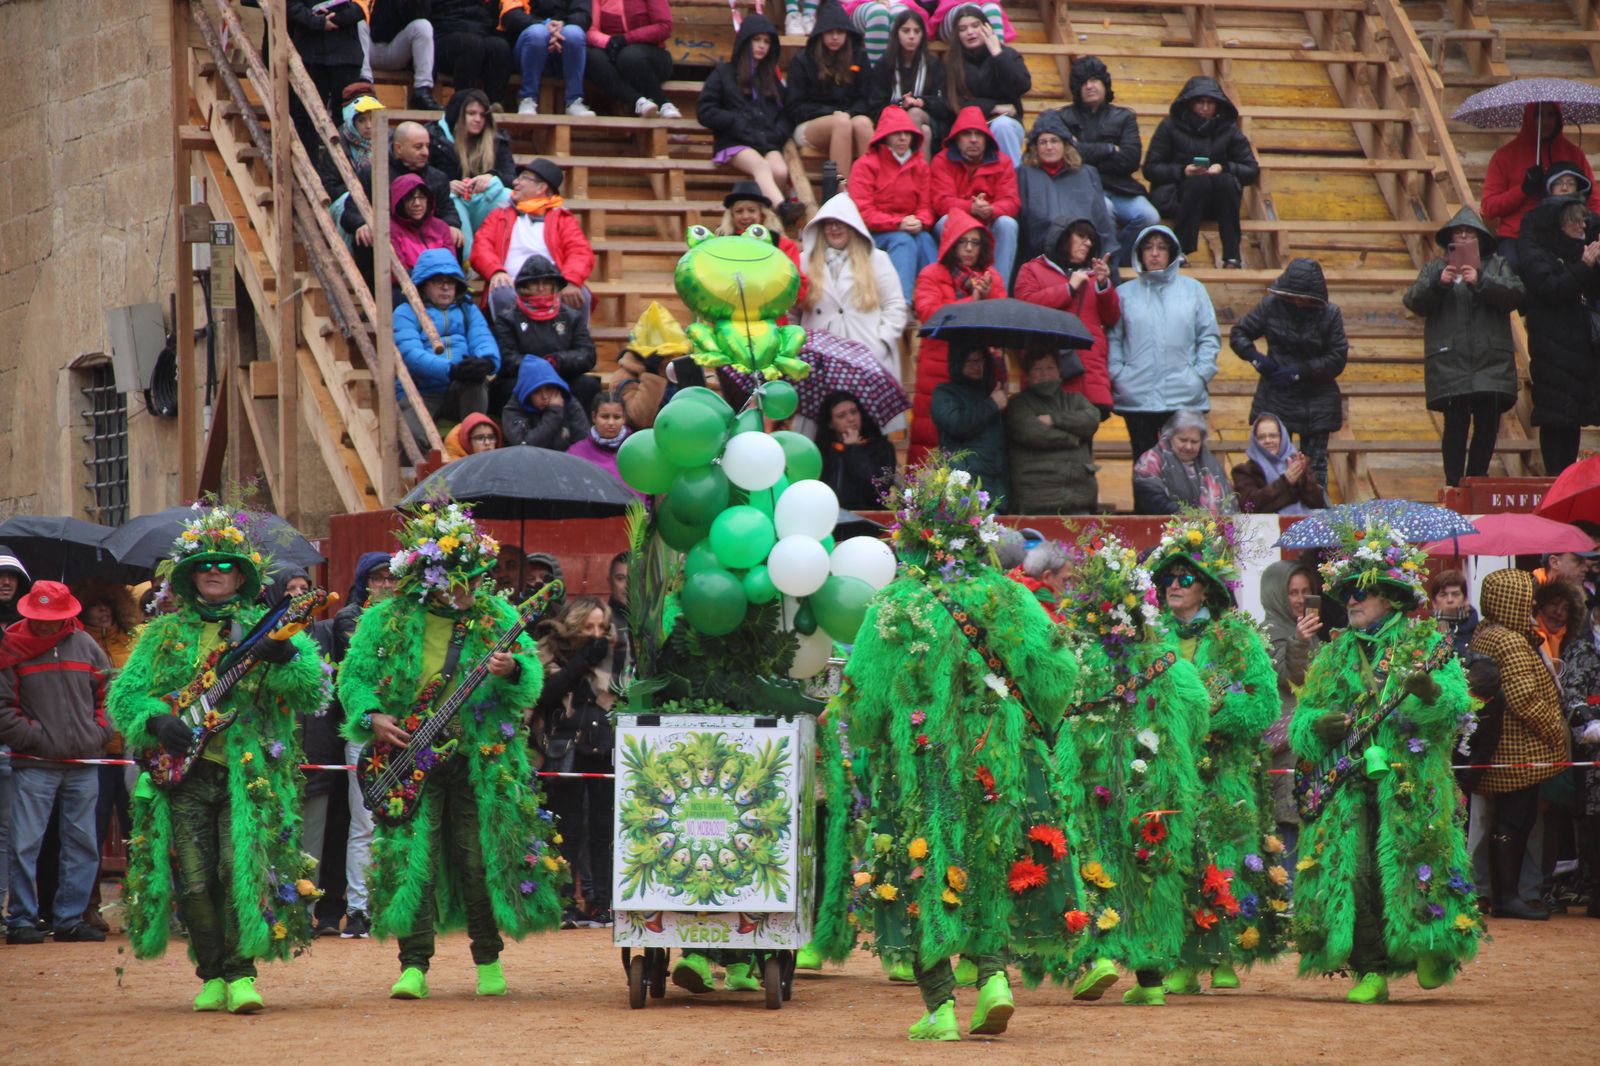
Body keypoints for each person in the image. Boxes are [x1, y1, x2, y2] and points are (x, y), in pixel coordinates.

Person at [812, 460, 1081, 1040]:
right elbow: (1060, 673)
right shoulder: (1008, 595)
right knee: (989, 861)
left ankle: (940, 1011)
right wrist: (1021, 717)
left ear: (910, 537)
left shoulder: (894, 604)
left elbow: (860, 700)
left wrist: (871, 741)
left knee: (918, 868)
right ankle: (992, 979)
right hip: (997, 755)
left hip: (921, 760)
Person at [107, 507, 328, 1012]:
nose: (216, 573)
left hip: (245, 775)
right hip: (182, 775)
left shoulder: (271, 626)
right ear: (188, 575)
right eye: (206, 565)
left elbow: (312, 689)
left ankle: (242, 973)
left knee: (238, 868)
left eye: (227, 566)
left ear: (242, 576)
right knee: (197, 877)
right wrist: (156, 721)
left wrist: (288, 657)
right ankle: (211, 973)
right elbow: (126, 697)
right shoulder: (162, 634)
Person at [340, 503, 564, 999]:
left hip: (476, 759)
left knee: (476, 858)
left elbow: (530, 680)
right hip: (404, 759)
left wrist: (513, 672)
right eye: (452, 579)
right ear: (427, 575)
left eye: (472, 579)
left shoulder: (501, 616)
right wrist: (372, 716)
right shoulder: (387, 618)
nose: (462, 590)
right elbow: (352, 678)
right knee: (411, 858)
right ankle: (413, 965)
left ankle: (488, 960)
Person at [1292, 520, 1483, 1002]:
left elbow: (1456, 710)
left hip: (1412, 780)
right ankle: (1369, 971)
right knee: (1354, 870)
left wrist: (1431, 693)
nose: (1352, 600)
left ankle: (1429, 945)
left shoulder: (1425, 645)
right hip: (1348, 780)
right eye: (1349, 592)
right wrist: (1317, 725)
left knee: (1416, 860)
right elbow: (1303, 717)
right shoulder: (1335, 653)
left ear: (1393, 598)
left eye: (1364, 592)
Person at [1054, 530, 1208, 1006]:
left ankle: (1099, 956)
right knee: (1151, 872)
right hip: (1154, 783)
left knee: (1094, 861)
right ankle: (1152, 983)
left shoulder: (1079, 662)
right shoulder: (1168, 663)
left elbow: (1057, 720)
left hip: (1092, 782)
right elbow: (1200, 712)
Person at [1148, 514, 1286, 993]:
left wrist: (1206, 716)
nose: (1173, 585)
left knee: (1227, 853)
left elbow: (1264, 703)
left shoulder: (1236, 637)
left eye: (1184, 578)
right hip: (1168, 769)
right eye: (1167, 578)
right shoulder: (1150, 639)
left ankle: (1225, 951)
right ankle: (1182, 958)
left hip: (1224, 770)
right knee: (1175, 857)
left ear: (1206, 587)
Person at [0, 582, 112, 945]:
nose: (47, 625)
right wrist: (35, 738)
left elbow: (109, 696)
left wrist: (98, 733)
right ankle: (21, 919)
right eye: (41, 618)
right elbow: (3, 708)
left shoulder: (87, 646)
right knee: (24, 843)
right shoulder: (11, 647)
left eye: (54, 618)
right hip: (34, 762)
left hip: (83, 759)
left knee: (83, 843)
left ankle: (69, 918)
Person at [1469, 568, 1572, 921]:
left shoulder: (1487, 632)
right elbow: (1523, 697)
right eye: (1526, 602)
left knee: (1510, 820)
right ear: (1509, 602)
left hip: (1503, 747)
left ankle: (1502, 894)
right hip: (1518, 749)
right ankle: (1507, 897)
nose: (1531, 609)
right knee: (1514, 821)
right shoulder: (1510, 641)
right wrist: (1556, 730)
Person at [1402, 207, 1524, 486]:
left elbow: (1516, 294)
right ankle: (1454, 482)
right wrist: (1438, 284)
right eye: (1459, 233)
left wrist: (1481, 281)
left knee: (1488, 421)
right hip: (1451, 359)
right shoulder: (1435, 268)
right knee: (1455, 422)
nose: (1465, 236)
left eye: (1470, 233)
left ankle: (1477, 478)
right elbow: (1413, 301)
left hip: (1489, 358)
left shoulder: (1496, 265)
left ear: (1481, 239)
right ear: (1450, 240)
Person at [321, 550, 398, 940]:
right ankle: (359, 907)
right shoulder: (350, 619)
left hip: (407, 730)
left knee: (405, 820)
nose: (386, 584)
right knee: (365, 821)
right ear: (365, 583)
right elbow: (362, 675)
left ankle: (397, 904)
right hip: (365, 731)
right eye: (378, 578)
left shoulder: (411, 619)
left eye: (392, 577)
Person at [532, 595, 617, 928]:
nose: (596, 633)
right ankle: (564, 902)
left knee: (602, 829)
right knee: (565, 828)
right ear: (573, 624)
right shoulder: (549, 650)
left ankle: (602, 903)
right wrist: (581, 661)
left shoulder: (613, 653)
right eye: (588, 626)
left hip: (603, 747)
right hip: (561, 746)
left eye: (602, 626)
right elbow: (544, 692)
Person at [1229, 259, 1346, 489]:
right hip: (1276, 394)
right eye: (1294, 296)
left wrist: (1301, 371)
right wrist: (1258, 360)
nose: (1298, 302)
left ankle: (1315, 518)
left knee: (1314, 468)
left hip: (1317, 399)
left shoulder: (1330, 314)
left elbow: (1337, 357)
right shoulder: (1271, 305)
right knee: (1270, 463)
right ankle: (1272, 512)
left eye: (1304, 298)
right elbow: (1239, 334)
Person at [1108, 225, 1220, 460]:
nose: (1155, 253)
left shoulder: (1194, 290)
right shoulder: (1124, 294)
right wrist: (1119, 375)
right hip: (1137, 396)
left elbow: (1208, 337)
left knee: (1187, 469)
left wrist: (1198, 375)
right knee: (1144, 470)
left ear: (1172, 252)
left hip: (1184, 396)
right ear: (1139, 254)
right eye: (1148, 248)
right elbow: (1113, 339)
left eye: (1161, 247)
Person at [1513, 178, 1600, 476]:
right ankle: (1554, 479)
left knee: (1573, 417)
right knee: (1555, 417)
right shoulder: (1540, 254)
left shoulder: (1581, 255)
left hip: (1578, 350)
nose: (1581, 228)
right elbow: (1552, 288)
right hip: (1551, 348)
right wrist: (1584, 266)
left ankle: (1565, 479)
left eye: (1583, 223)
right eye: (1575, 223)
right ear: (1559, 224)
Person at [910, 208, 1006, 467]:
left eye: (975, 242)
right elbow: (929, 314)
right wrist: (971, 302)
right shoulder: (932, 274)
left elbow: (1002, 320)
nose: (968, 248)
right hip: (937, 366)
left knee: (975, 443)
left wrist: (983, 300)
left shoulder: (991, 278)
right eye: (963, 241)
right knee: (928, 439)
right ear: (951, 243)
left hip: (978, 370)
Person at [1050, 55, 1158, 266]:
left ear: (1104, 84)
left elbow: (1130, 160)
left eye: (1094, 80)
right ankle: (1109, 269)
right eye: (1083, 82)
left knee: (1149, 217)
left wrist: (1085, 151)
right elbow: (1069, 157)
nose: (1089, 86)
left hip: (1121, 188)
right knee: (1104, 210)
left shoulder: (1124, 117)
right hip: (1083, 187)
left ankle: (1118, 260)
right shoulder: (1063, 117)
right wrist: (1109, 149)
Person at [1143, 76, 1258, 268]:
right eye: (1200, 102)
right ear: (1189, 103)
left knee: (1226, 181)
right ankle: (1180, 249)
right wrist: (1183, 171)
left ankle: (1232, 255)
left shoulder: (1228, 130)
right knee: (1199, 182)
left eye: (1210, 103)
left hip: (1217, 199)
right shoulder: (1169, 126)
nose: (1205, 108)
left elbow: (1250, 169)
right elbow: (1151, 168)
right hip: (1175, 196)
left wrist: (1224, 167)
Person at [76, 582, 138, 933]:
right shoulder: (79, 643)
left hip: (131, 751)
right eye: (97, 605)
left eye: (109, 606)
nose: (104, 611)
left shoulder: (132, 643)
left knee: (136, 834)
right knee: (91, 834)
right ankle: (89, 907)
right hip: (96, 754)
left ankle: (140, 906)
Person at [1013, 217, 1119, 420]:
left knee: (1084, 443)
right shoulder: (1031, 270)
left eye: (1090, 239)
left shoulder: (1094, 276)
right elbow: (1025, 309)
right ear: (1061, 237)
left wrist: (1104, 285)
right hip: (1046, 373)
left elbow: (1112, 317)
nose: (1087, 243)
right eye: (1081, 236)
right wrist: (1068, 289)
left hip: (1089, 373)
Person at [472, 158, 596, 324]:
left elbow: (580, 252)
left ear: (541, 187)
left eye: (523, 177)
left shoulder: (563, 219)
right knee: (501, 291)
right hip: (511, 283)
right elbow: (481, 247)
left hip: (552, 285)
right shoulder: (499, 215)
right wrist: (496, 271)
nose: (515, 182)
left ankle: (579, 348)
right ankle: (509, 348)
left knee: (581, 294)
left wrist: (571, 280)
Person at [800, 193, 907, 383]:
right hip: (819, 356)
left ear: (852, 226)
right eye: (828, 223)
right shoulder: (804, 262)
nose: (834, 228)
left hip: (867, 355)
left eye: (840, 223)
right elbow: (793, 309)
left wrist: (881, 341)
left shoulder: (877, 259)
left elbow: (894, 304)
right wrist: (800, 344)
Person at [393, 248, 500, 436]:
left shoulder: (468, 309)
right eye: (438, 281)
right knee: (410, 434)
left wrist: (487, 362)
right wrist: (451, 370)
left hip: (458, 390)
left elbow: (482, 338)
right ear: (423, 284)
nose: (445, 287)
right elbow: (411, 355)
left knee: (476, 380)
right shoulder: (405, 312)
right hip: (421, 391)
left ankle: (473, 444)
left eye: (450, 282)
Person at [1259, 560, 1320, 884]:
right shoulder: (1268, 634)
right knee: (1286, 829)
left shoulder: (1307, 632)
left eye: (1305, 592)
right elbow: (1289, 679)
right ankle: (1287, 903)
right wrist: (1298, 643)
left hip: (1306, 749)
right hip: (1283, 752)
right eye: (1292, 592)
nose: (1299, 599)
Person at [696, 15, 792, 212]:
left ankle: (772, 217)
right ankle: (782, 208)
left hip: (766, 140)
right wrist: (734, 121)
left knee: (781, 171)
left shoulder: (771, 78)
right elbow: (705, 110)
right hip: (734, 142)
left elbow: (788, 113)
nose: (762, 46)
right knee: (762, 167)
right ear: (745, 41)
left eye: (766, 41)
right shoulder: (723, 73)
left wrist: (777, 133)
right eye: (757, 40)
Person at [1480, 103, 1600, 254]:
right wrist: (1522, 190)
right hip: (1515, 236)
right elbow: (1489, 207)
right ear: (1529, 118)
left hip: (1564, 236)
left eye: (1550, 115)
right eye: (1539, 115)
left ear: (1558, 118)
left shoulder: (1574, 154)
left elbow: (1594, 200)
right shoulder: (1504, 156)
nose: (1545, 121)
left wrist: (1593, 228)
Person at [848, 106, 937, 305]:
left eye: (907, 133)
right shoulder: (865, 165)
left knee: (925, 240)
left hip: (907, 228)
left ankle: (933, 300)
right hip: (871, 235)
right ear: (885, 136)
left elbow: (926, 207)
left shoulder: (920, 166)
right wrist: (898, 223)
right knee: (903, 240)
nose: (903, 138)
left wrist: (920, 221)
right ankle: (901, 303)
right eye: (897, 133)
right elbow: (863, 213)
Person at [490, 254, 597, 414]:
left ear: (554, 285)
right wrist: (538, 367)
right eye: (535, 283)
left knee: (588, 385)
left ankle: (577, 434)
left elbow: (587, 354)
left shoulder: (571, 316)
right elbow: (506, 358)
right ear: (524, 286)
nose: (541, 288)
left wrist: (557, 361)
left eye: (546, 283)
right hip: (524, 380)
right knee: (505, 389)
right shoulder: (507, 318)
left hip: (562, 376)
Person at [1014, 113, 1118, 274]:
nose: (1049, 147)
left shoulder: (1087, 174)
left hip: (1085, 259)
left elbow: (1102, 224)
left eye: (1054, 141)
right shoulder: (1024, 175)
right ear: (1035, 147)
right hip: (1040, 260)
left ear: (1065, 144)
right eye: (1043, 142)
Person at [1004, 348, 1101, 514]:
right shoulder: (1018, 403)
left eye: (1050, 368)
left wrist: (1054, 420)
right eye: (1037, 369)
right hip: (1038, 497)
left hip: (1079, 495)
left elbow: (1091, 419)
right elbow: (1033, 433)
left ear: (1059, 371)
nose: (1044, 374)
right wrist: (1073, 438)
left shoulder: (1075, 399)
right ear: (1027, 374)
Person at [785, 4, 875, 180]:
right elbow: (794, 107)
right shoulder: (803, 60)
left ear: (847, 34)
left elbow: (867, 99)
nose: (835, 37)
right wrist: (832, 113)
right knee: (841, 123)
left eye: (840, 32)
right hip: (809, 125)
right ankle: (840, 193)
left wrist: (848, 113)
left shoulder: (858, 56)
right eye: (829, 32)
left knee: (863, 123)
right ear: (821, 33)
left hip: (848, 118)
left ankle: (870, 189)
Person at [932, 106, 1021, 283]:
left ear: (986, 138)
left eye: (978, 134)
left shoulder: (1003, 162)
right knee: (944, 222)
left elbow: (1012, 202)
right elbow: (940, 201)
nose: (973, 140)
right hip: (957, 224)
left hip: (989, 223)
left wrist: (992, 210)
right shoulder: (942, 161)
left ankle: (997, 288)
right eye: (967, 134)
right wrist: (971, 208)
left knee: (1008, 224)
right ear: (957, 138)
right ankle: (954, 284)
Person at [427, 89, 515, 257]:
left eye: (482, 115)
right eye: (471, 113)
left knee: (507, 196)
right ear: (458, 115)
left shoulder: (497, 141)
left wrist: (491, 176)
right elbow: (422, 177)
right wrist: (445, 186)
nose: (478, 119)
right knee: (452, 202)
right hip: (449, 206)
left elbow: (513, 178)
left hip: (483, 202)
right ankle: (466, 267)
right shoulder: (434, 138)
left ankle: (504, 259)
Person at [941, 6, 1030, 166]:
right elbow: (954, 102)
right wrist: (993, 107)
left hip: (1006, 123)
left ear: (986, 27)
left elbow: (1022, 85)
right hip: (968, 126)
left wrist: (997, 54)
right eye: (963, 29)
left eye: (975, 26)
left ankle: (1013, 184)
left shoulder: (1006, 54)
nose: (970, 32)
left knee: (1002, 127)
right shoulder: (951, 63)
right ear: (957, 35)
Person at [285, 0, 366, 158]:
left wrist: (333, 19)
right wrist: (315, 21)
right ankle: (309, 175)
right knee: (306, 117)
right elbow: (290, 5)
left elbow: (363, 5)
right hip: (309, 52)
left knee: (347, 118)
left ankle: (344, 175)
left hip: (346, 53)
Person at [863, 9, 951, 151]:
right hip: (890, 121)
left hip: (928, 118)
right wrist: (900, 105)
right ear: (896, 33)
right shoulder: (885, 64)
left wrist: (920, 102)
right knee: (924, 132)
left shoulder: (933, 64)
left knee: (915, 114)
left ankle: (910, 169)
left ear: (923, 35)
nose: (911, 36)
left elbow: (944, 105)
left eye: (917, 31)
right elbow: (874, 106)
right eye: (906, 31)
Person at [718, 181, 808, 311]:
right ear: (732, 216)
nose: (745, 216)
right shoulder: (721, 245)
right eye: (739, 211)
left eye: (751, 210)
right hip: (730, 318)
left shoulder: (782, 244)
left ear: (762, 213)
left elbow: (798, 286)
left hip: (771, 318)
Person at [583, 0, 678, 119]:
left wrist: (626, 39)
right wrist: (610, 43)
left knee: (629, 56)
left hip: (650, 56)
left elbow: (664, 26)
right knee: (592, 57)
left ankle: (663, 103)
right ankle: (638, 101)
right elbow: (591, 31)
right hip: (613, 53)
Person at [1132, 410, 1230, 516]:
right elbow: (1151, 501)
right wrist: (1188, 516)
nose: (1188, 447)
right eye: (1183, 440)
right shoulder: (1150, 462)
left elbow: (1228, 503)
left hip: (1209, 529)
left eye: (1194, 442)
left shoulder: (1211, 465)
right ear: (1170, 437)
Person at [510, 0, 595, 116]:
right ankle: (527, 98)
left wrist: (562, 25)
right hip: (528, 49)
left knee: (574, 34)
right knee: (538, 33)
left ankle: (574, 101)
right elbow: (511, 14)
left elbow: (583, 15)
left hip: (563, 44)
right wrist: (545, 25)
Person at [815, 390, 897, 510]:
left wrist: (853, 449)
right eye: (841, 416)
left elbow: (879, 488)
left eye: (854, 412)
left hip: (870, 516)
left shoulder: (882, 447)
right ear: (830, 423)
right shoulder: (824, 450)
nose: (851, 419)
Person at [602, 302, 679, 430]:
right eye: (665, 353)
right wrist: (652, 375)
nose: (670, 357)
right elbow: (639, 420)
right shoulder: (623, 377)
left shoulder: (676, 370)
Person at [1231, 413, 1327, 514]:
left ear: (1282, 438)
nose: (1268, 441)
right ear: (1255, 440)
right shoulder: (1244, 471)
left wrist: (1303, 479)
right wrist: (1285, 482)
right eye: (1261, 437)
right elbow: (1249, 507)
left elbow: (1317, 503)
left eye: (1273, 436)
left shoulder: (1297, 465)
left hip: (1304, 526)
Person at [360, 0, 439, 110]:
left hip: (396, 50)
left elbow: (421, 15)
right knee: (358, 23)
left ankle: (422, 90)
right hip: (367, 49)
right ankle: (364, 87)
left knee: (423, 26)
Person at [429, 0, 513, 101]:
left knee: (499, 47)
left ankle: (493, 105)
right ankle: (464, 104)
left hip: (480, 34)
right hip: (444, 39)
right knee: (471, 44)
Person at [567, 389, 644, 498]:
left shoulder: (637, 450)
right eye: (605, 416)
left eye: (617, 417)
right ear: (594, 417)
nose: (611, 423)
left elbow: (645, 492)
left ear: (624, 418)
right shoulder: (575, 453)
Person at [502, 354, 590, 449]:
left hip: (565, 461)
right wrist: (554, 414)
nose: (544, 396)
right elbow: (524, 447)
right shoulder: (513, 410)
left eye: (549, 388)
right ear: (526, 393)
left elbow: (583, 446)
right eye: (536, 391)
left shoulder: (569, 403)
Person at [389, 174, 458, 272]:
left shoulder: (441, 227)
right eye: (410, 198)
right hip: (408, 284)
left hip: (443, 282)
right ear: (399, 202)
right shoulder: (391, 230)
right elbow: (397, 273)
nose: (417, 203)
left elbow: (452, 264)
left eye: (421, 197)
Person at [1008, 539, 1069, 621]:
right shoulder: (1045, 618)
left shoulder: (1009, 583)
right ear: (1047, 577)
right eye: (1064, 580)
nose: (1066, 588)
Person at [1429, 569, 1479, 655]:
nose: (1450, 600)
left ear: (1465, 599)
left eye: (1455, 594)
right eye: (1443, 595)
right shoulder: (1425, 635)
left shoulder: (1479, 632)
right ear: (1434, 602)